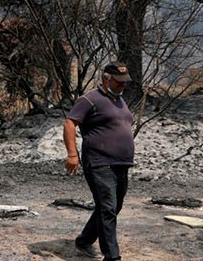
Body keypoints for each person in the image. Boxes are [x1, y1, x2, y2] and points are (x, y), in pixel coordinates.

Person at [63, 61, 134, 261]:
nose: (123, 86)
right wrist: (72, 154)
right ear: (106, 79)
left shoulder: (121, 100)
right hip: (99, 162)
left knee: (113, 207)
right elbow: (70, 122)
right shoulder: (90, 99)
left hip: (121, 163)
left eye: (124, 82)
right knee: (108, 208)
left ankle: (85, 240)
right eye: (119, 82)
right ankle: (112, 257)